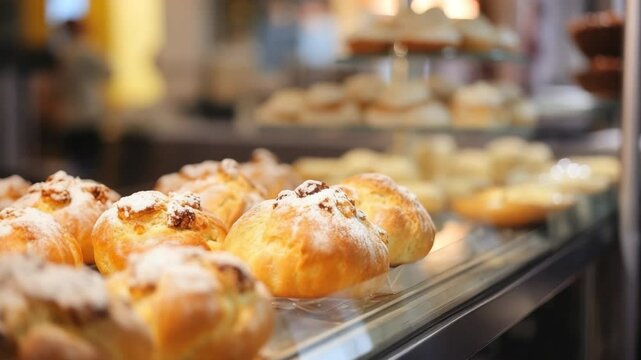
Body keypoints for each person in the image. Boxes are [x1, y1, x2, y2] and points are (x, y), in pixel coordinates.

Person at [53, 20, 110, 175]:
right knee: (88, 159)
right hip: (88, 111)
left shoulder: (65, 53)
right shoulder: (88, 50)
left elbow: (59, 84)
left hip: (72, 112)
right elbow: (108, 72)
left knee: (76, 159)